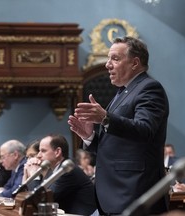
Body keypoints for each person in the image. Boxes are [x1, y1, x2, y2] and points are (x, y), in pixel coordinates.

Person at [68, 36, 169, 215]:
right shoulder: (121, 93)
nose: (107, 64)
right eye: (108, 59)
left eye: (115, 58)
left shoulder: (149, 88)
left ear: (135, 63)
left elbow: (145, 130)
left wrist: (106, 119)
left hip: (134, 193)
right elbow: (115, 149)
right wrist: (89, 137)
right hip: (115, 195)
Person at [25, 134, 97, 215]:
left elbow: (43, 200)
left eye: (43, 151)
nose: (38, 155)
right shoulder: (54, 170)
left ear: (57, 152)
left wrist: (35, 175)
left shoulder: (68, 170)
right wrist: (27, 173)